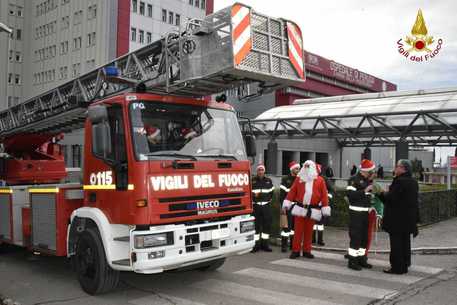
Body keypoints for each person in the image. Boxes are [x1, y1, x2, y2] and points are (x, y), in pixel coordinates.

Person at [282, 160, 330, 259]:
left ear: (313, 168)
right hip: (300, 208)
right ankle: (295, 251)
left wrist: (325, 207)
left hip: (313, 209)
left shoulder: (320, 180)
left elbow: (324, 195)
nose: (307, 169)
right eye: (305, 167)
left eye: (309, 167)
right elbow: (292, 191)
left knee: (309, 232)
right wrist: (287, 202)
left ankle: (307, 251)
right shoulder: (299, 179)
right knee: (298, 231)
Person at [379, 159, 419, 274]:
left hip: (396, 219)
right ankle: (405, 264)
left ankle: (397, 267)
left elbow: (391, 199)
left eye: (397, 166)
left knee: (396, 244)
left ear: (403, 169)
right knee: (405, 242)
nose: (395, 169)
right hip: (408, 219)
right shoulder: (413, 182)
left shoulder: (399, 181)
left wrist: (382, 193)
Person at [346, 159, 375, 271]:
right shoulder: (353, 180)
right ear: (366, 170)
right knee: (356, 237)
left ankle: (362, 259)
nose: (373, 172)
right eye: (372, 170)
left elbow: (368, 197)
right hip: (356, 213)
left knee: (364, 238)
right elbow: (350, 195)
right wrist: (364, 191)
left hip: (365, 213)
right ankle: (352, 261)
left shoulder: (367, 180)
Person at [251, 164, 274, 252]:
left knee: (266, 226)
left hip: (266, 207)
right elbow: (248, 192)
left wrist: (267, 201)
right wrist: (254, 195)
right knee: (256, 226)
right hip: (256, 206)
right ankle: (256, 246)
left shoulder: (269, 181)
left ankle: (265, 245)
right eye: (259, 170)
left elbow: (272, 193)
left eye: (262, 170)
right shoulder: (252, 180)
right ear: (257, 171)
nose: (260, 171)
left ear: (264, 171)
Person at [279, 161, 300, 252]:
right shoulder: (285, 179)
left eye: (298, 169)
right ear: (292, 169)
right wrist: (283, 207)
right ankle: (284, 246)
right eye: (296, 168)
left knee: (294, 228)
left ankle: (292, 245)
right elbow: (282, 195)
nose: (298, 170)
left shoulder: (300, 179)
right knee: (286, 227)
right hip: (287, 206)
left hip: (297, 207)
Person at [312, 163, 334, 246]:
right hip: (314, 203)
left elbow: (331, 189)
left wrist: (327, 197)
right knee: (313, 222)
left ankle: (320, 240)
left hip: (322, 204)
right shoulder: (311, 178)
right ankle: (313, 239)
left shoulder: (324, 179)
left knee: (320, 223)